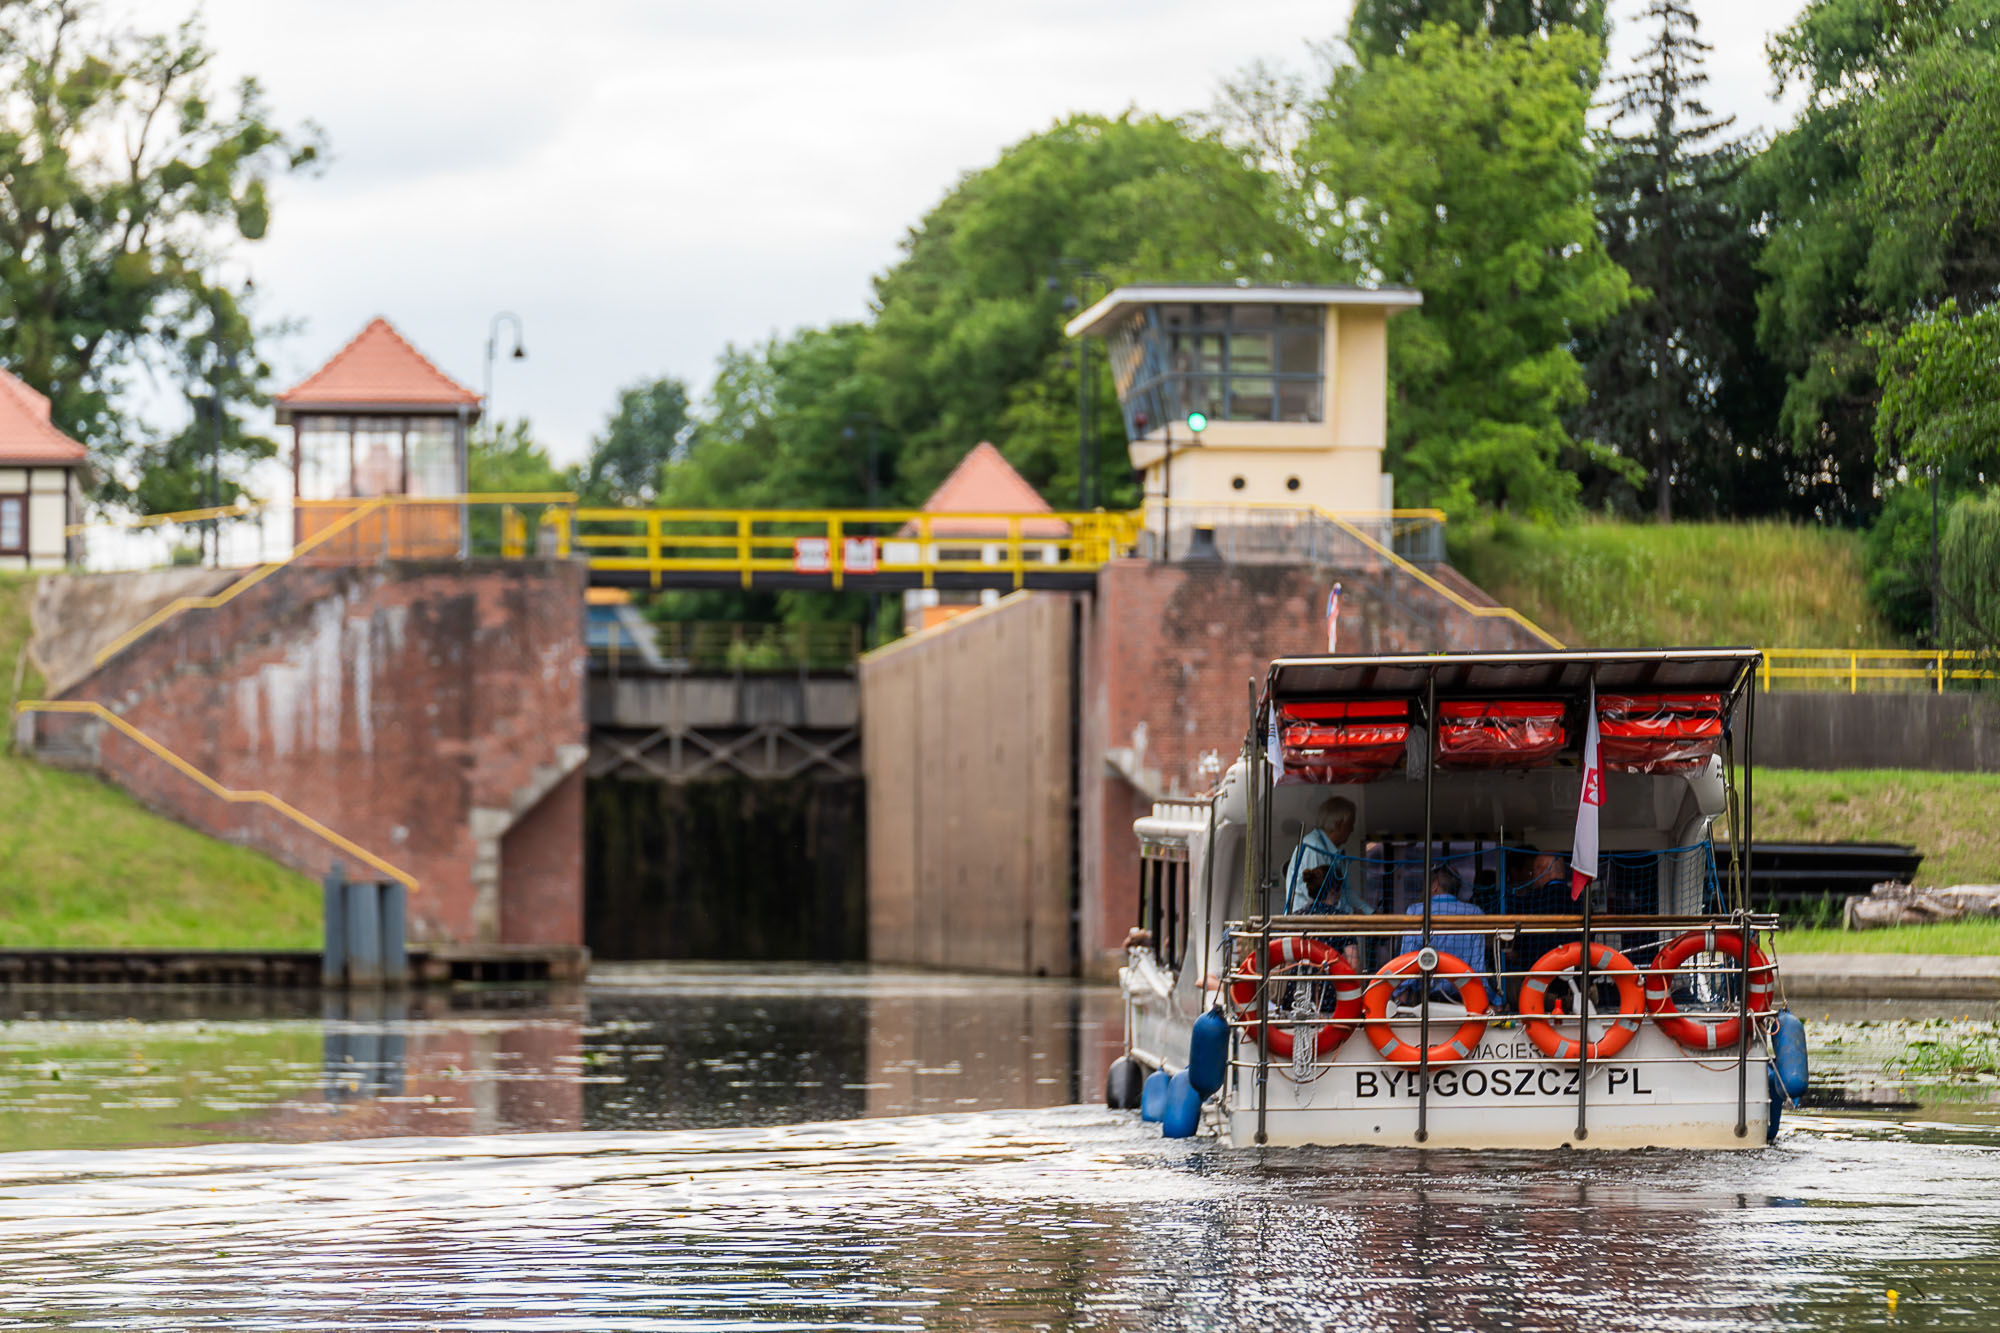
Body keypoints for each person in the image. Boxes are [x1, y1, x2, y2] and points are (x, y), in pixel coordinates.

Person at [1282, 796, 1365, 967]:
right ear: (1339, 823)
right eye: (1350, 823)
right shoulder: (1312, 848)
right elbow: (1319, 896)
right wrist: (1351, 914)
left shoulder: (1334, 852)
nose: (1352, 829)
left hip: (1323, 933)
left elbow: (1346, 892)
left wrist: (1368, 912)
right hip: (1310, 933)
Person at [1397, 864, 1488, 1004]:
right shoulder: (1474, 912)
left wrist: (1400, 993)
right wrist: (1492, 999)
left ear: (1435, 885)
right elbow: (1478, 966)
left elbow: (1408, 959)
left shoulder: (1416, 911)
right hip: (1464, 996)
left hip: (1426, 995)